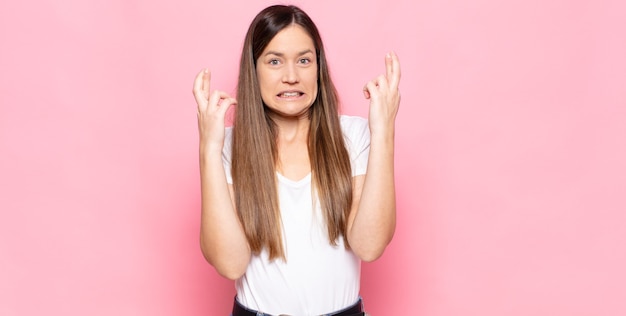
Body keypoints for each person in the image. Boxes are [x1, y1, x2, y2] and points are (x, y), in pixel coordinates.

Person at [192, 4, 400, 316]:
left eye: (304, 60)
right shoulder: (229, 145)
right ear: (254, 68)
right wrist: (209, 149)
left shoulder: (355, 135)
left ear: (319, 68)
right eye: (274, 61)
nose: (291, 76)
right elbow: (229, 263)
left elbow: (369, 246)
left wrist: (383, 131)